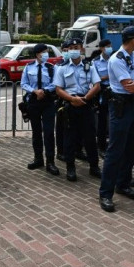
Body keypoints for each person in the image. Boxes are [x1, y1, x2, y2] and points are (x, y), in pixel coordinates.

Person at [98, 26, 134, 212]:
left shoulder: (133, 58)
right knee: (115, 150)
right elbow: (129, 85)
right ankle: (106, 193)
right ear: (133, 40)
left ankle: (123, 183)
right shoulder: (117, 59)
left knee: (132, 146)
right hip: (121, 106)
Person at [54, 38, 102, 182]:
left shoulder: (89, 66)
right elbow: (58, 89)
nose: (74, 50)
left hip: (86, 104)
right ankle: (70, 168)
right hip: (70, 106)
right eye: (71, 48)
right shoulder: (62, 67)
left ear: (81, 49)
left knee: (90, 138)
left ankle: (94, 167)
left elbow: (97, 85)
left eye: (76, 47)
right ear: (67, 50)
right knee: (70, 138)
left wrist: (86, 98)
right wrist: (71, 99)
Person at [20, 43, 59, 176]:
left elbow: (56, 83)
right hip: (33, 101)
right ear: (37, 54)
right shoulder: (28, 66)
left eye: (47, 52)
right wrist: (34, 91)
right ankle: (38, 159)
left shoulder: (51, 67)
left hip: (48, 101)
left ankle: (50, 162)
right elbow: (23, 83)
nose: (46, 55)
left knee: (48, 132)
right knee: (36, 132)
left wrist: (45, 90)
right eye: (44, 52)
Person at [93, 39, 114, 155]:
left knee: (114, 119)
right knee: (102, 121)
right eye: (107, 46)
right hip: (103, 92)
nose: (109, 48)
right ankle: (101, 146)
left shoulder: (115, 60)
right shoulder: (95, 62)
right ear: (101, 48)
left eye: (110, 46)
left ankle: (113, 144)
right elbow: (95, 78)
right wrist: (108, 77)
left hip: (115, 92)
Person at [55, 40, 71, 162]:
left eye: (68, 50)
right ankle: (61, 151)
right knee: (61, 128)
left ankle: (77, 150)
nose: (66, 53)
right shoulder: (58, 66)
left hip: (76, 99)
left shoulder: (82, 65)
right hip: (62, 100)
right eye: (64, 51)